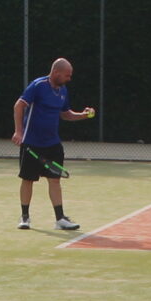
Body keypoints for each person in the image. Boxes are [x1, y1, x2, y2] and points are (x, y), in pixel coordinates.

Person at [12, 57, 94, 230]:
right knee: (28, 180)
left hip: (53, 144)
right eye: (67, 75)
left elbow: (65, 114)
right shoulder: (38, 86)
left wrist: (83, 115)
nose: (69, 78)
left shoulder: (63, 90)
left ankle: (60, 219)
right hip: (32, 143)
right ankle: (25, 217)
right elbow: (19, 106)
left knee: (55, 180)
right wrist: (19, 132)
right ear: (56, 72)